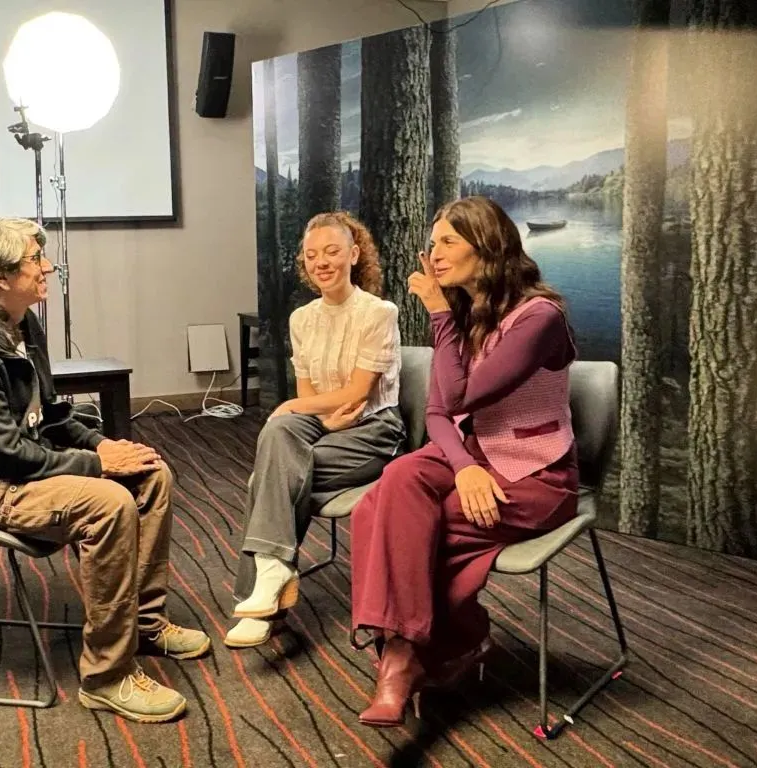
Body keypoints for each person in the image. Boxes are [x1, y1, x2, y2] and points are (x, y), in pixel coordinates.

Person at [0, 217, 210, 723]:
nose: (48, 265)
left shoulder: (21, 324)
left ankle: (142, 624)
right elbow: (5, 454)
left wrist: (106, 445)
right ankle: (107, 677)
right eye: (35, 258)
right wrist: (98, 464)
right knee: (110, 503)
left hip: (16, 470)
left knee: (150, 475)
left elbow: (51, 414)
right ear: (0, 276)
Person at [349, 196, 580, 727]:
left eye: (449, 241)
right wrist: (466, 468)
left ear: (489, 246)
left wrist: (435, 311)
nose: (434, 254)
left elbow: (461, 397)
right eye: (432, 243)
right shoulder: (462, 313)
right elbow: (436, 415)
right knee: (398, 478)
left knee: (386, 520)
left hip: (538, 474)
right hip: (474, 458)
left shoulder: (539, 316)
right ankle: (448, 637)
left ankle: (404, 655)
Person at [224, 212, 406, 648]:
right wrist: (314, 416)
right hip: (327, 425)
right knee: (283, 436)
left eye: (332, 251)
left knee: (268, 478)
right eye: (311, 255)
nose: (321, 262)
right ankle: (273, 576)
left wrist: (295, 407)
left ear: (354, 254)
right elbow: (312, 396)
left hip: (373, 429)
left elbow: (359, 391)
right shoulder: (301, 319)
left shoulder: (379, 312)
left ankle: (263, 591)